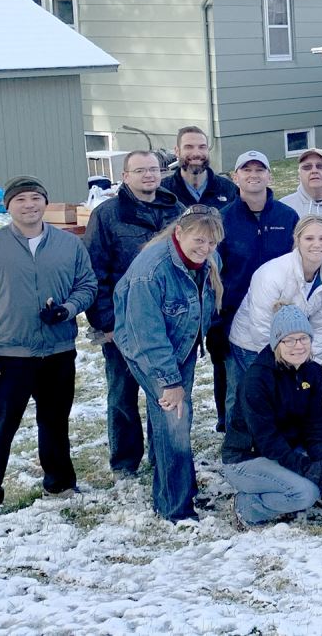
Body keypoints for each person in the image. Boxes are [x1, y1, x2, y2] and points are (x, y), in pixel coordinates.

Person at [0, 175, 97, 517]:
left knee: (54, 422)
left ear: (45, 203)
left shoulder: (68, 245)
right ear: (8, 206)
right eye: (20, 200)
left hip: (57, 352)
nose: (29, 205)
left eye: (35, 198)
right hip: (9, 355)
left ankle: (60, 483)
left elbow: (88, 285)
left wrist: (66, 310)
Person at [113, 205, 224, 522]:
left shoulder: (207, 259)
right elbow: (146, 336)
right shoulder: (151, 271)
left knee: (168, 419)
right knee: (174, 418)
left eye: (212, 243)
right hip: (151, 352)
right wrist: (169, 383)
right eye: (199, 241)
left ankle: (175, 485)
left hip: (181, 344)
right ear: (179, 233)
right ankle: (175, 506)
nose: (205, 249)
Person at [84, 150, 181, 476]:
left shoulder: (176, 211)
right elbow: (94, 269)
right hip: (123, 325)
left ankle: (162, 455)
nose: (148, 175)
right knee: (123, 396)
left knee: (165, 391)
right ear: (125, 176)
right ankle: (125, 461)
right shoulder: (108, 215)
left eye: (153, 170)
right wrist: (105, 321)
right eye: (140, 170)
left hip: (166, 322)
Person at [221, 305, 322, 527]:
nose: (298, 346)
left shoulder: (313, 372)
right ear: (276, 343)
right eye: (289, 340)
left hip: (288, 449)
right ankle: (248, 506)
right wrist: (305, 467)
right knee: (305, 493)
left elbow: (315, 423)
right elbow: (265, 439)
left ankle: (285, 493)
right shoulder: (257, 379)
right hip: (249, 457)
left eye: (304, 339)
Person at [215, 150, 300, 430]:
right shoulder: (222, 220)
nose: (253, 175)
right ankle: (237, 442)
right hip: (235, 319)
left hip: (280, 318)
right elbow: (213, 272)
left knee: (279, 383)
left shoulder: (287, 217)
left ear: (269, 175)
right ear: (235, 177)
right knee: (239, 388)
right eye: (246, 170)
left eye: (259, 169)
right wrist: (217, 320)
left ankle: (276, 438)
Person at [228, 215, 322, 416]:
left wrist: (310, 361)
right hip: (251, 343)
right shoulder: (273, 274)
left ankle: (284, 443)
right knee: (252, 398)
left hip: (291, 343)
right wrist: (282, 364)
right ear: (297, 240)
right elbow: (261, 326)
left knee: (285, 397)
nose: (317, 244)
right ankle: (239, 445)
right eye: (309, 239)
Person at [159, 125, 237, 209]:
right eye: (189, 147)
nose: (196, 153)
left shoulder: (229, 190)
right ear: (177, 151)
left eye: (202, 147)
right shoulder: (162, 191)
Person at [281, 147, 322, 217]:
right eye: (307, 167)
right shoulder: (284, 207)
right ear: (299, 175)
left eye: (320, 166)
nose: (314, 171)